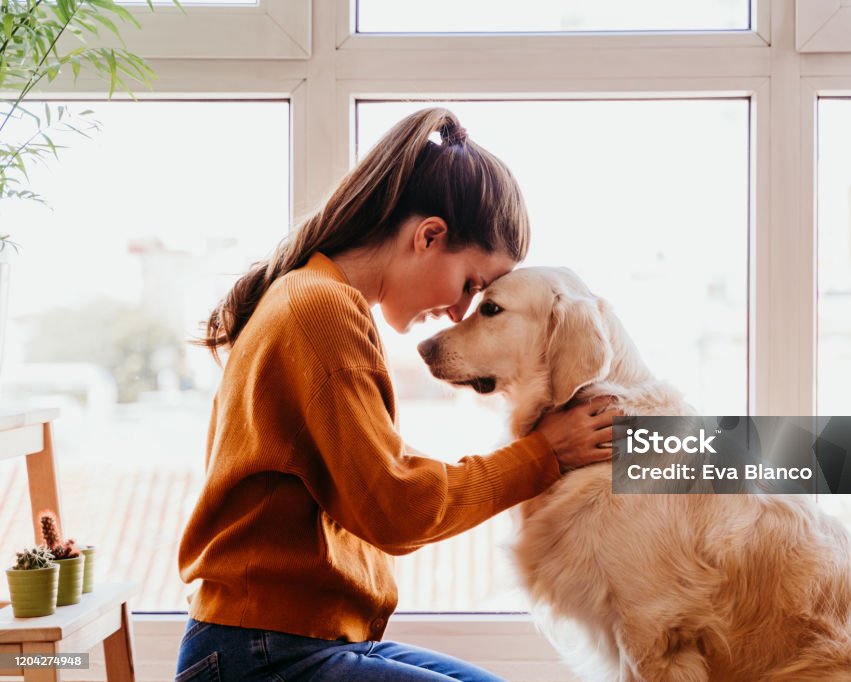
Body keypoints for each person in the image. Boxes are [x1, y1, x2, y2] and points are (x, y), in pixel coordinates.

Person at [175, 107, 620, 682]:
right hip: (257, 653)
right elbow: (396, 507)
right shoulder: (319, 308)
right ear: (428, 235)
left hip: (298, 641)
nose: (459, 312)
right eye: (470, 285)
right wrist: (546, 455)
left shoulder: (315, 297)